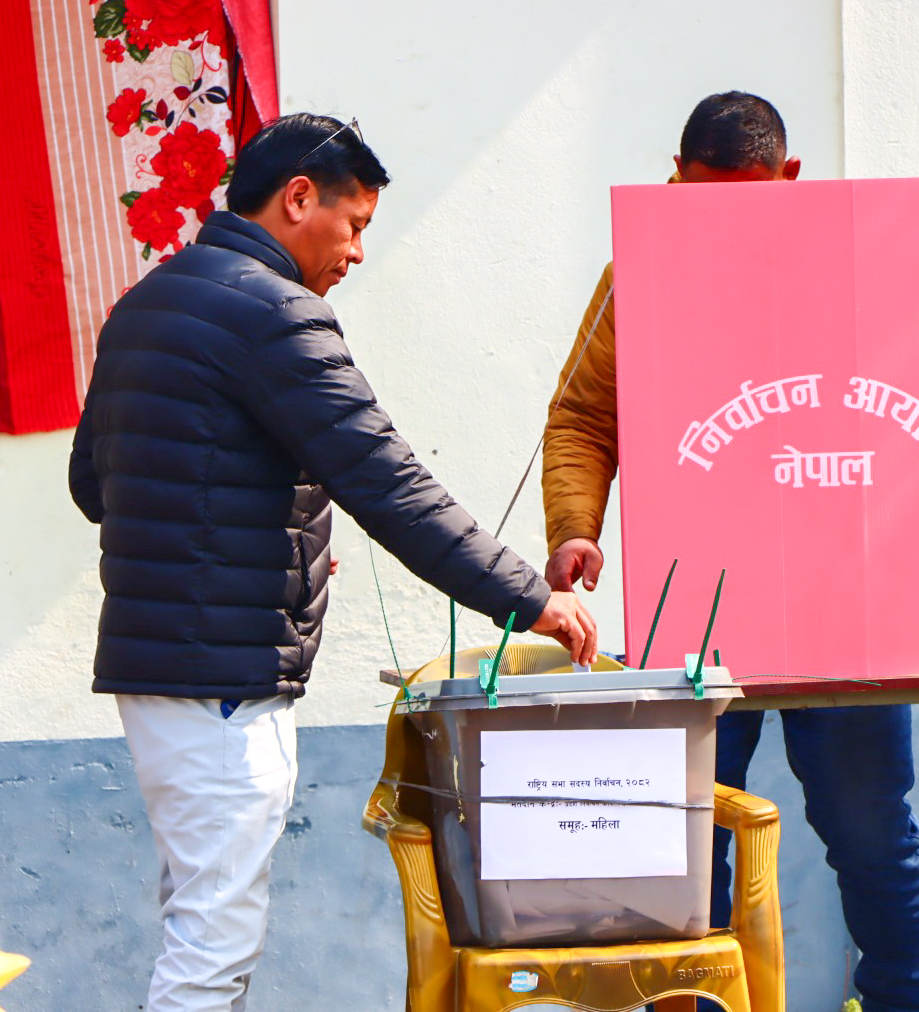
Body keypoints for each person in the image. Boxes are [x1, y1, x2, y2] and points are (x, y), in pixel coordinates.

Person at [70, 113, 597, 1012]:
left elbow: (96, 483)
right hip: (223, 683)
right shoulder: (276, 314)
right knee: (212, 950)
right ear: (298, 198)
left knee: (198, 919)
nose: (355, 252)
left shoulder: (149, 301)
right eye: (353, 225)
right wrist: (528, 599)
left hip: (157, 678)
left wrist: (265, 536)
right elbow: (390, 484)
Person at [541, 92, 919, 1012]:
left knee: (870, 831)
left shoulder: (857, 263)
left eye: (743, 201)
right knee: (687, 838)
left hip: (846, 606)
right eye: (700, 201)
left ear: (790, 177)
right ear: (673, 175)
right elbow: (582, 417)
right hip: (698, 612)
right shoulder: (639, 274)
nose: (717, 223)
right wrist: (575, 527)